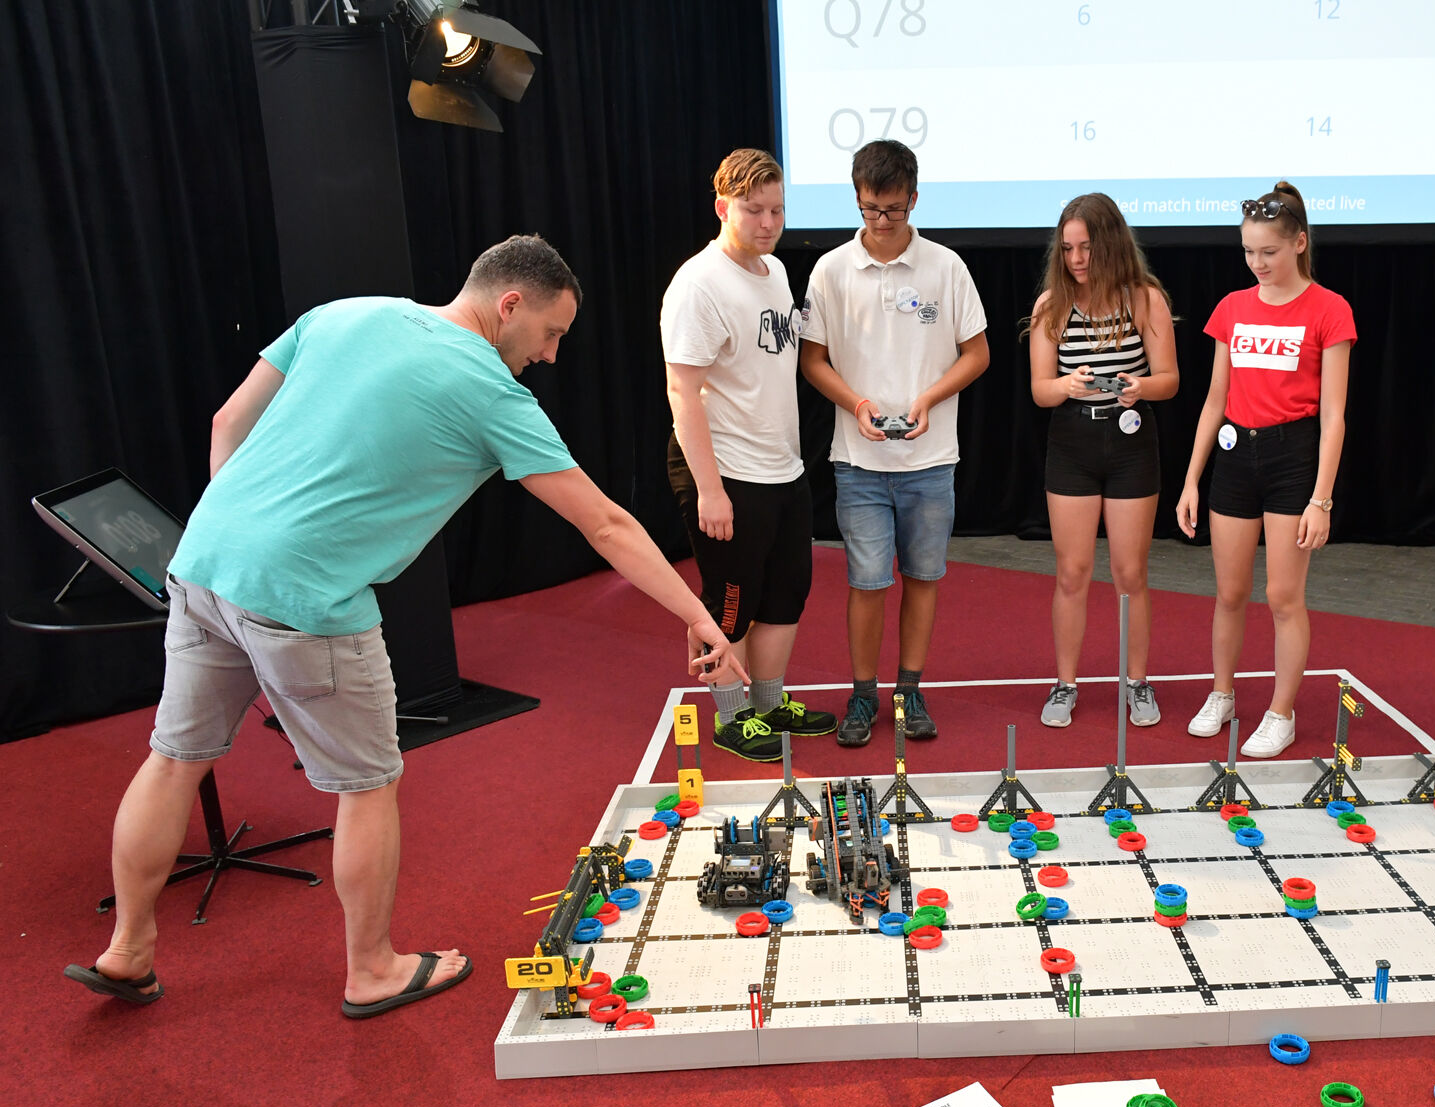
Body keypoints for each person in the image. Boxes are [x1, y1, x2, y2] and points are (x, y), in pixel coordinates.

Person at [64, 234, 745, 1017]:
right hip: (308, 599)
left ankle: (128, 949)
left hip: (205, 563)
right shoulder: (492, 392)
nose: (552, 355)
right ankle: (373, 970)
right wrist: (699, 616)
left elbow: (228, 420)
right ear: (509, 304)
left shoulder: (342, 314)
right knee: (369, 785)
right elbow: (606, 525)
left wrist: (248, 535)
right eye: (551, 332)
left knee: (173, 759)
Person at [799, 141, 989, 746]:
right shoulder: (831, 270)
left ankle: (909, 689)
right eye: (870, 209)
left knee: (924, 577)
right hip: (858, 460)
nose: (881, 221)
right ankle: (863, 694)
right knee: (866, 582)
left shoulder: (946, 267)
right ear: (857, 199)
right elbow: (812, 360)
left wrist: (928, 399)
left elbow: (977, 353)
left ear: (914, 199)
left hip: (930, 462)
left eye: (894, 209)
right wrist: (857, 405)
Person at [662, 148, 836, 762]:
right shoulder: (699, 284)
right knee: (731, 601)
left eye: (777, 210)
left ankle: (767, 703)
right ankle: (732, 717)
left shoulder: (774, 270)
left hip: (782, 467)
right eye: (753, 210)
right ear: (722, 208)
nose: (768, 223)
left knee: (787, 594)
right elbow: (681, 391)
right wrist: (710, 491)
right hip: (727, 471)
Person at [1175, 182, 1354, 758]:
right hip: (1234, 455)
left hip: (1293, 458)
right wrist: (1191, 479)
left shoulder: (1329, 309)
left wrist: (1321, 498)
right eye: (1249, 252)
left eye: (1269, 252)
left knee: (1282, 595)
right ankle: (1222, 694)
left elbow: (1334, 416)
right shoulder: (1232, 307)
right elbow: (1214, 400)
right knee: (1229, 592)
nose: (1258, 263)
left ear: (1299, 243)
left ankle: (1281, 712)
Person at [1026, 193, 1178, 728]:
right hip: (1072, 440)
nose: (1076, 259)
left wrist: (1139, 386)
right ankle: (1065, 683)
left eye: (1086, 247)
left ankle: (1137, 681)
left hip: (1131, 440)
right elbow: (1040, 390)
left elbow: (1169, 380)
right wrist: (1066, 385)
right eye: (1068, 248)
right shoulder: (1052, 305)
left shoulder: (1145, 299)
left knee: (1130, 572)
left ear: (1111, 243)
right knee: (1072, 570)